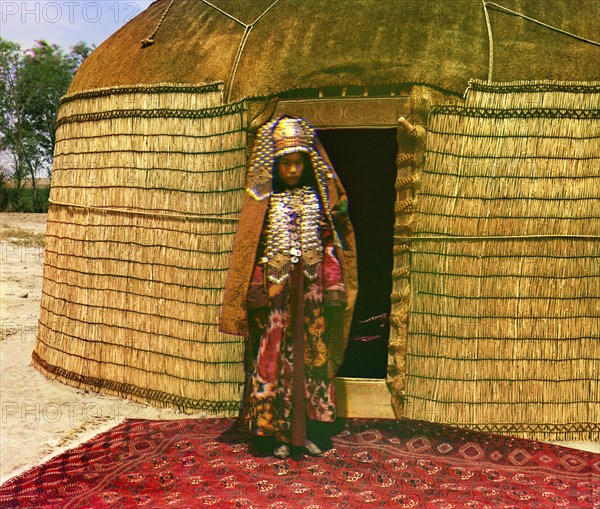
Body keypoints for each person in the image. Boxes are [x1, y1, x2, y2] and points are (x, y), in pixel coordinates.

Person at [220, 116, 357, 459]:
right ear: (276, 165)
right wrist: (254, 295)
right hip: (278, 298)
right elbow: (253, 250)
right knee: (273, 361)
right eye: (286, 164)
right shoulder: (264, 206)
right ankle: (277, 436)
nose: (293, 170)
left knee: (312, 359)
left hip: (310, 298)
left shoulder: (318, 202)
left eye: (298, 163)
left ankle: (309, 433)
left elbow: (330, 244)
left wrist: (333, 287)